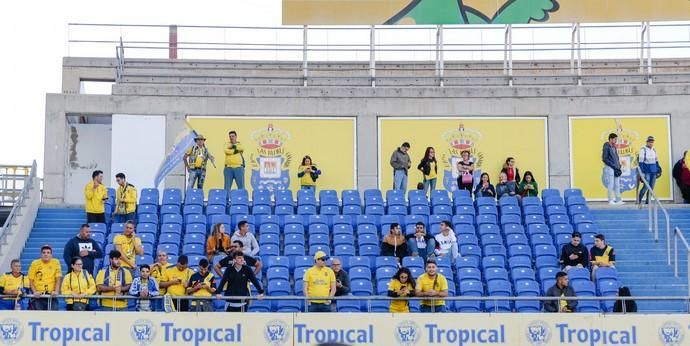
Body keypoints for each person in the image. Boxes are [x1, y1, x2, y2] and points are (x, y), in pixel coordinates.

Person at [28, 245, 62, 310]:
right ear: (41, 254)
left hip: (51, 295)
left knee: (53, 316)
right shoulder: (35, 263)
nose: (46, 254)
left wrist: (56, 291)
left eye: (48, 252)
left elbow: (58, 278)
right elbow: (31, 280)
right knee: (38, 316)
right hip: (38, 296)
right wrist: (35, 292)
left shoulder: (56, 262)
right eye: (44, 252)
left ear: (51, 255)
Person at [638, 136, 662, 204]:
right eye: (650, 142)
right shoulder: (643, 150)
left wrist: (658, 169)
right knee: (645, 187)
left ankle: (648, 201)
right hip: (646, 172)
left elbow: (656, 161)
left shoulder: (654, 150)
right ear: (647, 142)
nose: (651, 143)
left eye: (652, 142)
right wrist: (642, 173)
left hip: (653, 172)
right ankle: (639, 201)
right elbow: (641, 162)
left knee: (651, 188)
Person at [602, 133, 624, 205]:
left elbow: (616, 157)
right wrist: (613, 165)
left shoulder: (614, 147)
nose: (616, 140)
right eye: (615, 139)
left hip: (616, 167)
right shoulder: (606, 146)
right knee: (610, 184)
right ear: (610, 139)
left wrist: (618, 165)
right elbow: (604, 158)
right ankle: (610, 200)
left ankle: (618, 200)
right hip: (610, 167)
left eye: (616, 139)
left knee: (617, 184)